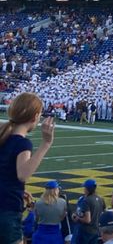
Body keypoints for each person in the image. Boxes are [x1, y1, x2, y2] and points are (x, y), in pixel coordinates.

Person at [0, 92, 54, 244]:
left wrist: (15, 189)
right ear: (35, 117)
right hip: (7, 211)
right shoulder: (22, 143)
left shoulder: (3, 136)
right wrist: (46, 144)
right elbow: (22, 175)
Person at [71, 179, 106, 244]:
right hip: (96, 230)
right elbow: (103, 212)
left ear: (87, 189)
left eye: (84, 188)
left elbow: (87, 220)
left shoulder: (86, 200)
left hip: (86, 231)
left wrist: (77, 218)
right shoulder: (101, 199)